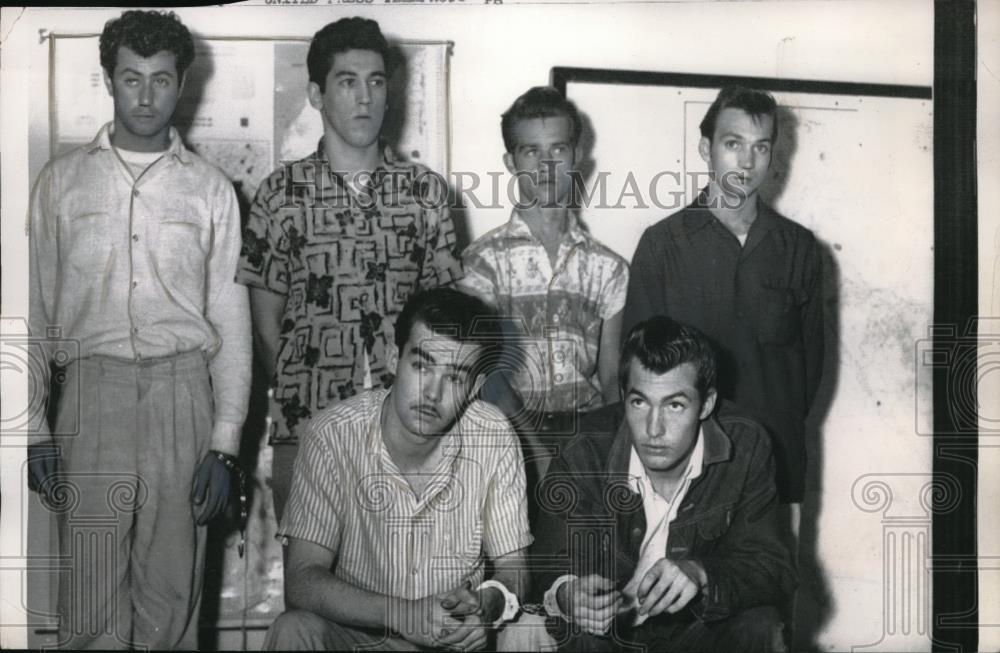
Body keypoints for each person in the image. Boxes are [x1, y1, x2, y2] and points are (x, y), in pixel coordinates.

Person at [26, 10, 251, 649]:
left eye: (160, 80)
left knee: (171, 603)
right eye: (131, 79)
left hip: (184, 398)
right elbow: (38, 314)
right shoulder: (60, 184)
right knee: (90, 604)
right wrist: (37, 430)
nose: (145, 96)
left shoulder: (211, 191)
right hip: (92, 399)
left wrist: (225, 444)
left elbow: (231, 321)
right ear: (108, 79)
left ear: (183, 85)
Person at [236, 17, 464, 521]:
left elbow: (446, 327)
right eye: (347, 81)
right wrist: (304, 396)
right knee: (312, 589)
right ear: (317, 95)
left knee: (405, 586)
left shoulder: (425, 194)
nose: (365, 97)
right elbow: (264, 324)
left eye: (376, 81)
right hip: (309, 428)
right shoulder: (280, 195)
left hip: (408, 434)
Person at [263, 288, 532, 650]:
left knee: (529, 630)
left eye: (454, 378)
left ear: (475, 388)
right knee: (294, 629)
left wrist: (487, 604)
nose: (432, 394)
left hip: (449, 639)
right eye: (421, 366)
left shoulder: (494, 435)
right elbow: (302, 580)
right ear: (393, 358)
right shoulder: (333, 434)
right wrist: (403, 614)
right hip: (362, 635)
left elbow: (515, 567)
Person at [530, 316, 796, 652]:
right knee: (578, 634)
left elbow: (773, 567)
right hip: (608, 639)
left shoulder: (746, 444)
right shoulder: (584, 447)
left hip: (696, 635)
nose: (654, 428)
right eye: (639, 403)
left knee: (762, 625)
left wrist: (701, 573)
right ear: (624, 395)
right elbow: (546, 564)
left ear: (707, 405)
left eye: (674, 405)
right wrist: (567, 595)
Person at [623, 87, 824, 526]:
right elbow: (636, 375)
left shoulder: (800, 249)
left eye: (761, 147)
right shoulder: (662, 245)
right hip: (686, 473)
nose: (747, 162)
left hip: (776, 467)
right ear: (705, 148)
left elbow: (808, 377)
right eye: (733, 144)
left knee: (767, 588)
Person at [459, 86, 628, 488]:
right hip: (505, 440)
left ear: (577, 158)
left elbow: (610, 378)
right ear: (511, 161)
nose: (547, 165)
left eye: (559, 150)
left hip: (587, 444)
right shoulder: (481, 262)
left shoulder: (610, 268)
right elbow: (484, 373)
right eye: (531, 151)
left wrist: (615, 455)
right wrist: (535, 450)